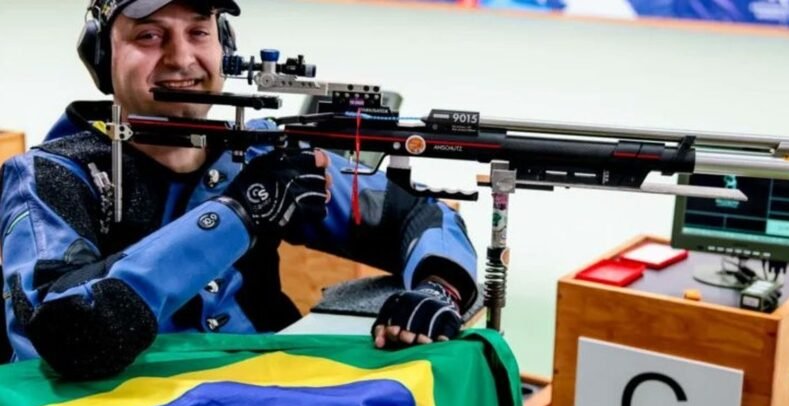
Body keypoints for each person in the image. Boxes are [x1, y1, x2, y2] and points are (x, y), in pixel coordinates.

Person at [0, 0, 478, 379]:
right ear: (102, 57)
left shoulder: (259, 152)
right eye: (149, 35)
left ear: (224, 46)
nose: (182, 58)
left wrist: (439, 289)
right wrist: (239, 215)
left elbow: (420, 217)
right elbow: (69, 332)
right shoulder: (49, 178)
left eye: (199, 31)